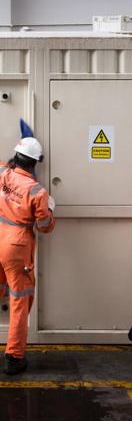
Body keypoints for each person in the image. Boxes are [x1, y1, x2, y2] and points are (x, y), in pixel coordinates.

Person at [0, 137, 55, 375]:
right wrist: (50, 209)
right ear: (37, 162)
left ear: (16, 155)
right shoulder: (37, 191)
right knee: (20, 301)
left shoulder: (3, 172)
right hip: (17, 245)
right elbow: (44, 226)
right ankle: (14, 357)